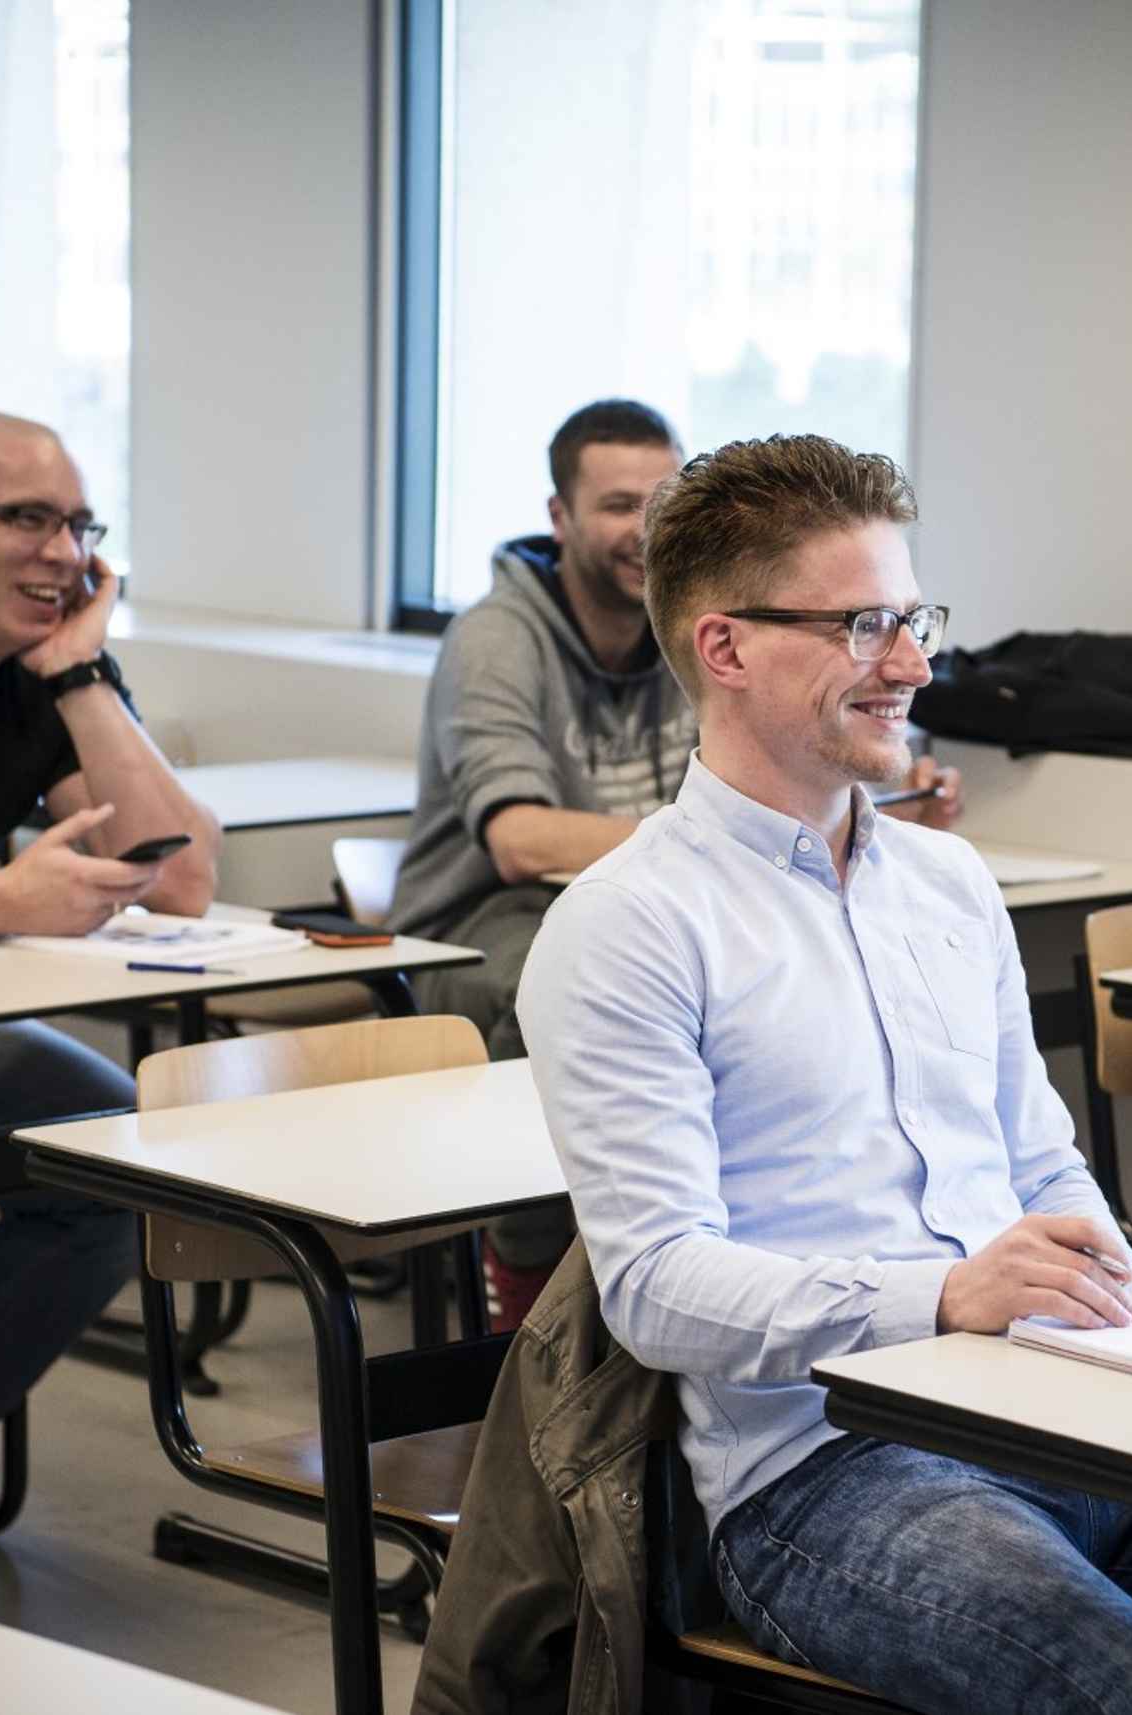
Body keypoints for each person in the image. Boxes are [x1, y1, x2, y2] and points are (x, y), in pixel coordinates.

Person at [516, 432, 1132, 1714]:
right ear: (725, 647)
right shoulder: (629, 922)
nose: (911, 663)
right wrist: (942, 1295)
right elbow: (651, 1285)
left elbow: (1039, 1158)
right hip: (827, 1472)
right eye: (862, 625)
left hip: (1049, 1397)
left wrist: (1116, 1311)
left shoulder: (948, 882)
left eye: (909, 617)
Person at [389, 399, 961, 1330]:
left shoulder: (712, 624)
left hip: (670, 889)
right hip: (475, 920)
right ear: (559, 517)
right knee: (580, 955)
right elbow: (520, 839)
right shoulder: (498, 637)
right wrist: (719, 845)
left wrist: (889, 794)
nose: (643, 527)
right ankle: (530, 1284)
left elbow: (810, 746)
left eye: (660, 499)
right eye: (618, 505)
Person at [0, 412, 221, 1598]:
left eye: (78, 525)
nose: (62, 552)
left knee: (117, 1149)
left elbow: (179, 878)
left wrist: (78, 674)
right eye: (27, 518)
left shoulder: (36, 673)